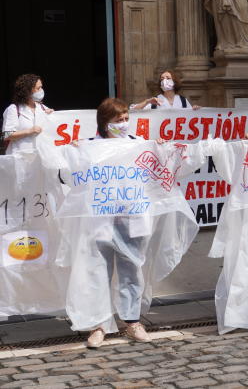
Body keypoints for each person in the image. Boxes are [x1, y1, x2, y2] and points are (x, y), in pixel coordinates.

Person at [73, 98, 163, 348]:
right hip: (100, 219)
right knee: (96, 273)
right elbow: (69, 173)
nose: (124, 124)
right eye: (118, 120)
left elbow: (157, 170)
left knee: (131, 271)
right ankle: (99, 325)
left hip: (131, 217)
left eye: (126, 119)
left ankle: (132, 322)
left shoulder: (138, 145)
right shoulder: (88, 146)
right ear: (105, 122)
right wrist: (72, 153)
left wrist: (162, 149)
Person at [2, 74, 53, 155]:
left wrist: (52, 116)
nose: (41, 90)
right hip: (20, 156)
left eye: (41, 87)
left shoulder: (43, 108)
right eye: (38, 88)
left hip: (41, 157)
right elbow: (6, 135)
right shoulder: (14, 109)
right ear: (28, 91)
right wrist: (29, 131)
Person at [130, 70, 201, 110]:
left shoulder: (183, 100)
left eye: (168, 78)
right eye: (162, 79)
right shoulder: (155, 100)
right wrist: (147, 102)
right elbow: (133, 110)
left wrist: (196, 109)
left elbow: (190, 116)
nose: (164, 80)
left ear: (174, 82)